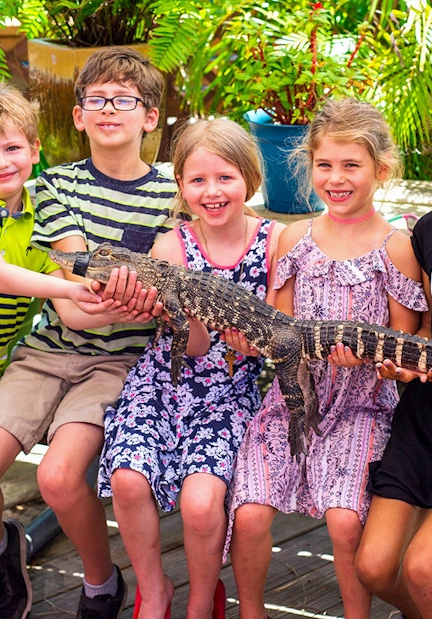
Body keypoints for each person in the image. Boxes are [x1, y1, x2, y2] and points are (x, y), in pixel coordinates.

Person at [0, 47, 179, 619]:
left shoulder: (174, 196)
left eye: (125, 100)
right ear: (77, 116)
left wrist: (137, 302)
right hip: (47, 353)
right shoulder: (56, 189)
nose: (109, 109)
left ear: (150, 118)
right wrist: (141, 300)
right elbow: (73, 305)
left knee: (61, 477)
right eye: (96, 100)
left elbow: (170, 294)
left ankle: (99, 584)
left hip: (118, 365)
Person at [223, 98, 428, 619]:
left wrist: (366, 360)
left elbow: (403, 347)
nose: (336, 178)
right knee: (247, 514)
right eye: (325, 165)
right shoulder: (293, 238)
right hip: (292, 398)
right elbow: (277, 327)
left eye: (351, 165)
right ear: (309, 166)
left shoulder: (396, 246)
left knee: (344, 521)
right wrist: (241, 338)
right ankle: (251, 613)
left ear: (381, 171)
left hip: (363, 403)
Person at [97, 117, 285, 619]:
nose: (212, 191)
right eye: (197, 180)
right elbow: (190, 344)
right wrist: (185, 313)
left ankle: (203, 600)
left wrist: (249, 343)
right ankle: (152, 588)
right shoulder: (170, 247)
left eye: (225, 177)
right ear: (181, 186)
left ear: (250, 178)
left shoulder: (275, 242)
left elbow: (270, 339)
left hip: (232, 386)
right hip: (167, 375)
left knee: (202, 504)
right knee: (129, 479)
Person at [355, 109, 432, 619]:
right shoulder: (430, 231)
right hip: (428, 415)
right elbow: (429, 325)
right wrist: (406, 362)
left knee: (425, 569)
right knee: (375, 568)